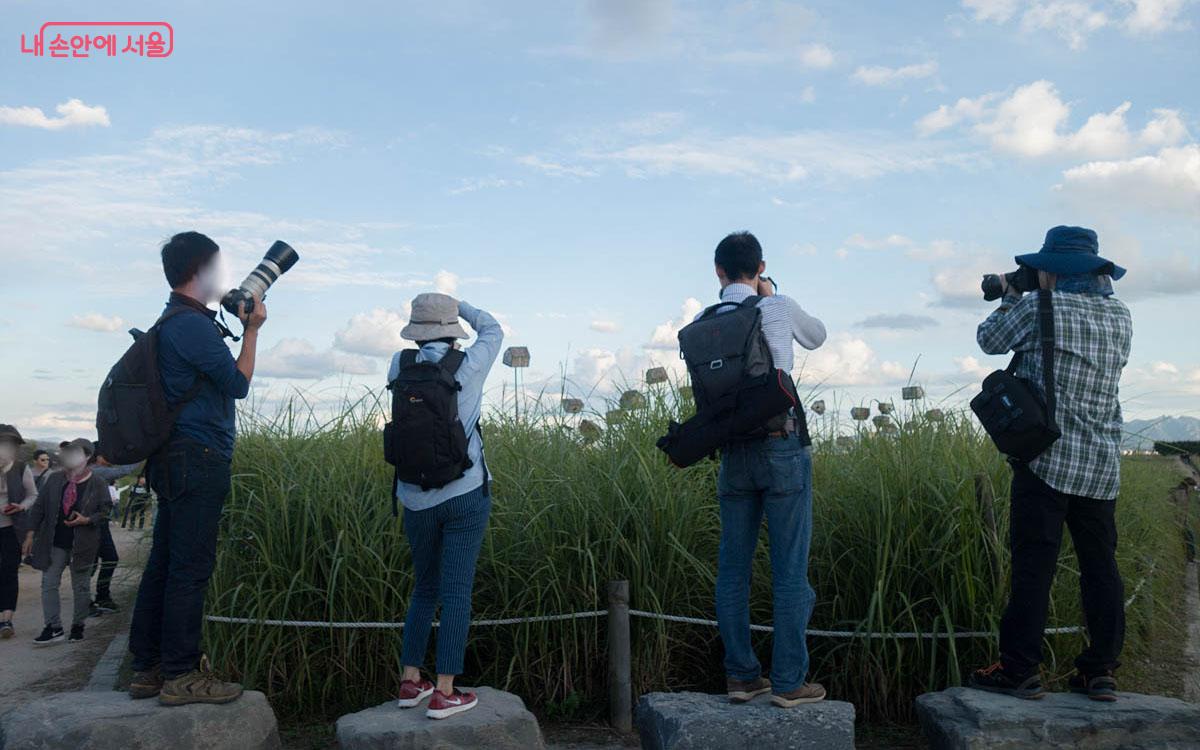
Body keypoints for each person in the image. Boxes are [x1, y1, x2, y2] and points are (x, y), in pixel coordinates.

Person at [967, 226, 1132, 702]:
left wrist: (1010, 295)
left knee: (1034, 566)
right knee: (1101, 566)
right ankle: (1100, 671)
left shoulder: (1042, 307)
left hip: (1046, 459)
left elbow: (989, 340)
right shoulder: (1122, 315)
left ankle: (1019, 670)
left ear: (1051, 271)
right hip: (1101, 462)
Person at [127, 231, 266, 706]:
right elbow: (237, 384)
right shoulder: (190, 326)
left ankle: (148, 668)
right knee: (189, 568)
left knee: (166, 564)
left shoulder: (174, 322)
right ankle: (183, 675)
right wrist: (251, 330)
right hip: (198, 456)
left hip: (174, 456)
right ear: (199, 271)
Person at [691, 232, 829, 708]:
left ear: (718, 271)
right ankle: (790, 682)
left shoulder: (704, 322)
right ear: (760, 266)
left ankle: (741, 677)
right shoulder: (774, 307)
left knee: (733, 570)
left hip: (732, 453)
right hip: (781, 445)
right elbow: (817, 336)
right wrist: (774, 294)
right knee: (790, 570)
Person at [390, 292, 503, 719]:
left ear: (416, 333)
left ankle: (409, 680)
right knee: (456, 592)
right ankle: (445, 691)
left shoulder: (398, 366)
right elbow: (492, 328)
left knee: (424, 588)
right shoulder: (468, 364)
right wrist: (461, 304)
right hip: (464, 493)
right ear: (453, 329)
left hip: (414, 496)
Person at [22, 439, 110, 646]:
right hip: (56, 541)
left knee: (80, 586)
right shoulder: (54, 480)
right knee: (48, 584)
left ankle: (78, 626)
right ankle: (53, 628)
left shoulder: (97, 482)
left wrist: (87, 520)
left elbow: (106, 511)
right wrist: (29, 534)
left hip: (83, 543)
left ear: (87, 457)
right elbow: (39, 507)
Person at [0, 425, 38, 639]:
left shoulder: (21, 468)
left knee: (9, 571)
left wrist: (21, 506)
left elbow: (33, 495)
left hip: (12, 528)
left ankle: (6, 620)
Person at [89, 481, 122, 616]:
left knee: (110, 558)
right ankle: (85, 601)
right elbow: (123, 470)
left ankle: (102, 596)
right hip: (87, 523)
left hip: (101, 523)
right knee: (89, 564)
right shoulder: (97, 470)